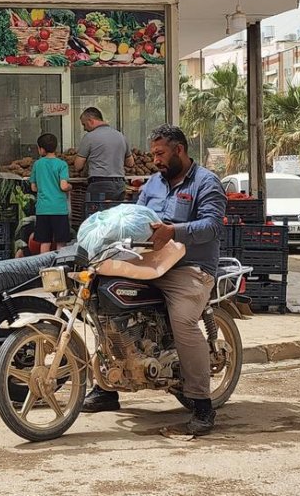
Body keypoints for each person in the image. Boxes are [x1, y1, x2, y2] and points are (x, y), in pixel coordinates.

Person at [81, 124, 227, 436]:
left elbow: (214, 227)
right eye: (153, 154)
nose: (156, 159)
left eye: (161, 153)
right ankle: (107, 387)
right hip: (149, 263)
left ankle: (202, 403)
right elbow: (137, 218)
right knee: (103, 302)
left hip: (190, 268)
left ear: (179, 150)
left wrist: (175, 231)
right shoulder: (153, 184)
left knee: (184, 321)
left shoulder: (206, 183)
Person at [73, 107, 134, 203]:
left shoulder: (89, 137)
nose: (84, 128)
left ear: (90, 121)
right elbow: (130, 163)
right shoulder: (121, 136)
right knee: (116, 216)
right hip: (120, 185)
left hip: (99, 185)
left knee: (97, 216)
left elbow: (78, 166)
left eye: (84, 124)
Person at [29, 133, 72, 253]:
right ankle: (60, 266)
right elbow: (63, 186)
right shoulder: (62, 164)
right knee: (61, 241)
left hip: (43, 209)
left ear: (41, 149)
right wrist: (70, 186)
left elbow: (33, 187)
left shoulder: (37, 164)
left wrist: (44, 187)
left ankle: (44, 267)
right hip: (59, 209)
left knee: (45, 241)